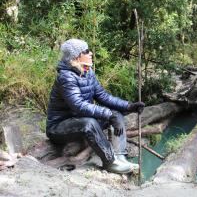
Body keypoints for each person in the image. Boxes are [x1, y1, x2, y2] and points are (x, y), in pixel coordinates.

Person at [46, 39, 145, 174]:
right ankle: (110, 163)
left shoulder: (88, 72)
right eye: (86, 51)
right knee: (90, 123)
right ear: (76, 56)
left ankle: (120, 156)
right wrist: (107, 114)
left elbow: (103, 96)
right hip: (59, 128)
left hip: (79, 121)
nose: (90, 53)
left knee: (117, 113)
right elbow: (79, 106)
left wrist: (128, 106)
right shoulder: (66, 77)